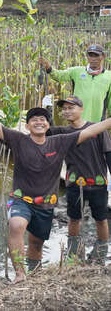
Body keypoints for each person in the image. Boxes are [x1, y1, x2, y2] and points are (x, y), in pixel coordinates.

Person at [0, 88, 111, 283]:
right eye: (34, 119)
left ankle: (34, 275)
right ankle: (20, 273)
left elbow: (89, 131)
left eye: (43, 119)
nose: (39, 122)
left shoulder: (60, 142)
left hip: (46, 205)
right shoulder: (19, 140)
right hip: (21, 200)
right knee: (16, 225)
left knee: (36, 245)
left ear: (47, 125)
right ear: (27, 126)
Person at [48, 96, 111, 261]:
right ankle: (73, 254)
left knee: (101, 219)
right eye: (64, 109)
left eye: (71, 107)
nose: (67, 111)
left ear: (81, 109)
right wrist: (46, 108)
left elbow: (109, 155)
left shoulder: (98, 129)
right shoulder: (62, 132)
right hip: (74, 185)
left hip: (98, 184)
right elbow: (46, 131)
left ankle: (101, 253)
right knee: (74, 219)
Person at [40, 44, 111, 122]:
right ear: (87, 56)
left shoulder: (109, 76)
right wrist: (49, 68)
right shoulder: (76, 71)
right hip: (77, 120)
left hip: (97, 120)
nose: (93, 58)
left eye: (96, 55)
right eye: (91, 55)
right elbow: (59, 76)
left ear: (103, 56)